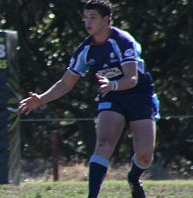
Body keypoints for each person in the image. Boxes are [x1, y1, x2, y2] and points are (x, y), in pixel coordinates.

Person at [18, 0, 160, 197]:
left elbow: (132, 78)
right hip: (111, 96)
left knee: (145, 155)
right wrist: (40, 99)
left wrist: (113, 84)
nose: (87, 22)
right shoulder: (85, 50)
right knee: (103, 144)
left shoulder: (122, 41)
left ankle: (134, 178)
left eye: (92, 17)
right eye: (85, 18)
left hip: (139, 95)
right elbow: (65, 83)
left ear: (106, 19)